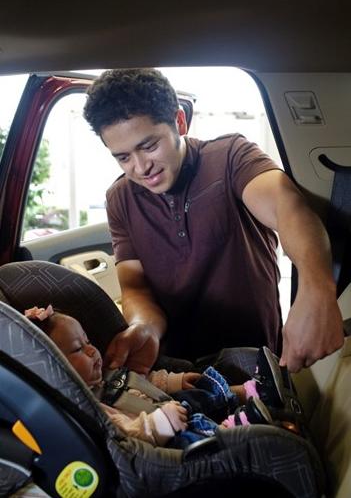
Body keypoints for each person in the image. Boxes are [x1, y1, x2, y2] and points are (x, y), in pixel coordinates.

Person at [83, 68, 344, 374]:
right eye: (123, 157)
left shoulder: (230, 157)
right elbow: (135, 287)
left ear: (179, 122)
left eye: (149, 146)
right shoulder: (120, 198)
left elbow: (289, 209)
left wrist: (316, 292)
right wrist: (144, 328)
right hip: (177, 369)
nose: (141, 168)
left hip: (255, 360)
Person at [24, 305, 301, 449]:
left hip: (171, 405)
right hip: (169, 438)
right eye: (77, 348)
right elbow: (127, 437)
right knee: (194, 440)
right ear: (52, 371)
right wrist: (159, 423)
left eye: (87, 339)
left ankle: (257, 392)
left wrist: (173, 382)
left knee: (200, 388)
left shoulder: (104, 376)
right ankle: (237, 428)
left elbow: (139, 381)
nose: (91, 349)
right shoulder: (92, 410)